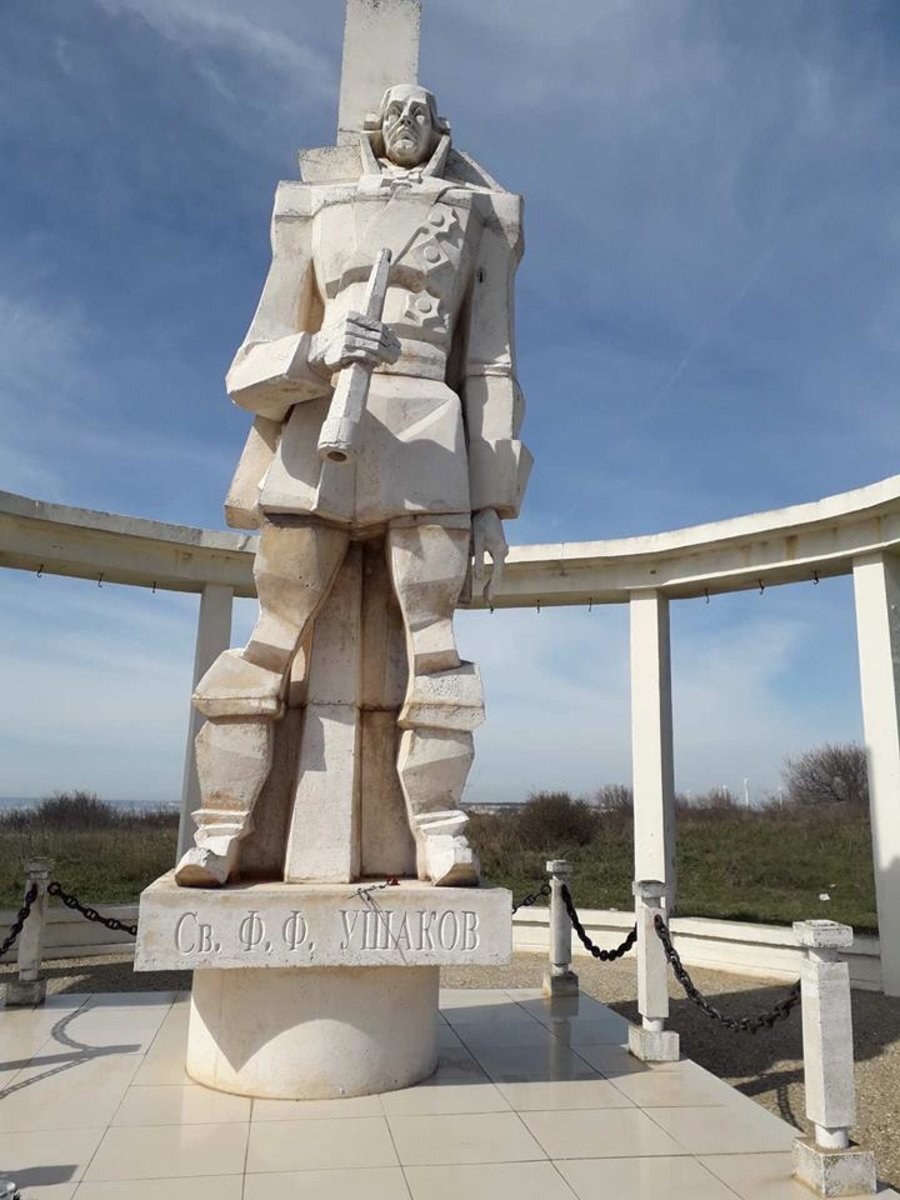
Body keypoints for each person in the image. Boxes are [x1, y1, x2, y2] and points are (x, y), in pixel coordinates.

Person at [175, 84, 531, 888]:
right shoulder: (319, 211)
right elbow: (248, 369)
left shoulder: (474, 218)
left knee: (435, 648)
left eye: (421, 111)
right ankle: (220, 827)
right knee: (270, 640)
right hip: (322, 433)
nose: (406, 121)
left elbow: (490, 365)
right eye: (395, 110)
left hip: (430, 442)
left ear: (440, 128)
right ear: (375, 126)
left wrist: (492, 505)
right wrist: (320, 348)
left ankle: (440, 827)